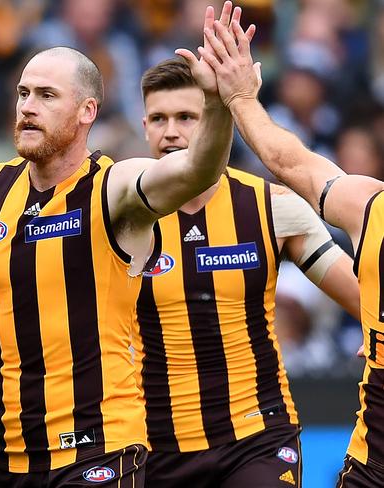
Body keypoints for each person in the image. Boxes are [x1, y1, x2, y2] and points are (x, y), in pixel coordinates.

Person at [0, 4, 251, 486]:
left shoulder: (114, 187)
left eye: (46, 95)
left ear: (86, 111)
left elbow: (196, 169)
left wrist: (221, 101)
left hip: (100, 449)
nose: (27, 106)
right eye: (22, 93)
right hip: (8, 455)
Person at [133, 58, 360, 488]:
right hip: (156, 444)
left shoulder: (271, 207)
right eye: (159, 119)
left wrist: (376, 330)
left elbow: (362, 295)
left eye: (186, 117)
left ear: (217, 122)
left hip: (257, 437)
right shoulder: (121, 217)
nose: (171, 132)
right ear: (144, 126)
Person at [195, 9, 381, 487]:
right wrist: (238, 97)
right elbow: (290, 162)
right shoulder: (370, 207)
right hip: (371, 464)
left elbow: (290, 162)